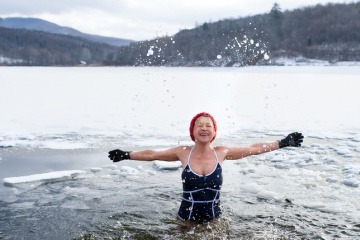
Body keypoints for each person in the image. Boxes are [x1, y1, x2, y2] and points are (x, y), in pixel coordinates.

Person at [108, 112, 304, 223]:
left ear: (214, 132)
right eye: (199, 125)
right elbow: (153, 154)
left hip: (215, 221)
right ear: (192, 132)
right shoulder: (183, 152)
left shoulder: (222, 152)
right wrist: (127, 154)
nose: (204, 128)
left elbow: (252, 149)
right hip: (185, 221)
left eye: (208, 125)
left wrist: (282, 142)